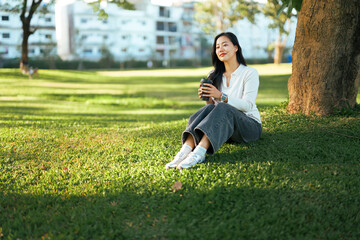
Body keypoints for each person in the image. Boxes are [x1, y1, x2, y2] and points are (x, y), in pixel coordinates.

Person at [165, 32, 262, 170]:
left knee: (223, 106)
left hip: (249, 127)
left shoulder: (249, 73)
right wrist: (209, 99)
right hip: (227, 130)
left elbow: (248, 105)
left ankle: (199, 153)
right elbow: (213, 109)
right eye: (217, 47)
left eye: (225, 45)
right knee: (209, 109)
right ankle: (185, 151)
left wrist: (221, 96)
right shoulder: (214, 74)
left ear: (236, 48)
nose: (220, 49)